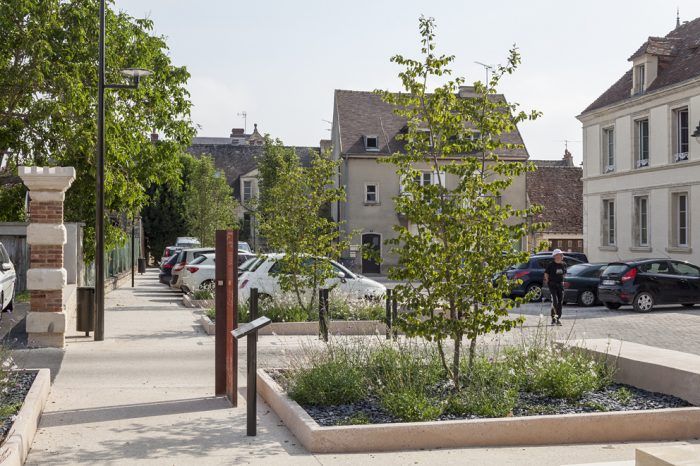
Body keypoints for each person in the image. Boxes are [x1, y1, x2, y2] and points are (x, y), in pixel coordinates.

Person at [544, 249, 567, 326]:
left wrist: (562, 281)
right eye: (557, 255)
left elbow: (564, 274)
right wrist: (548, 281)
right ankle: (553, 319)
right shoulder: (551, 265)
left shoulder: (564, 264)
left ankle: (558, 319)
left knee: (560, 302)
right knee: (555, 301)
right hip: (552, 285)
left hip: (560, 285)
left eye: (560, 255)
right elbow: (546, 274)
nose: (559, 256)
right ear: (554, 256)